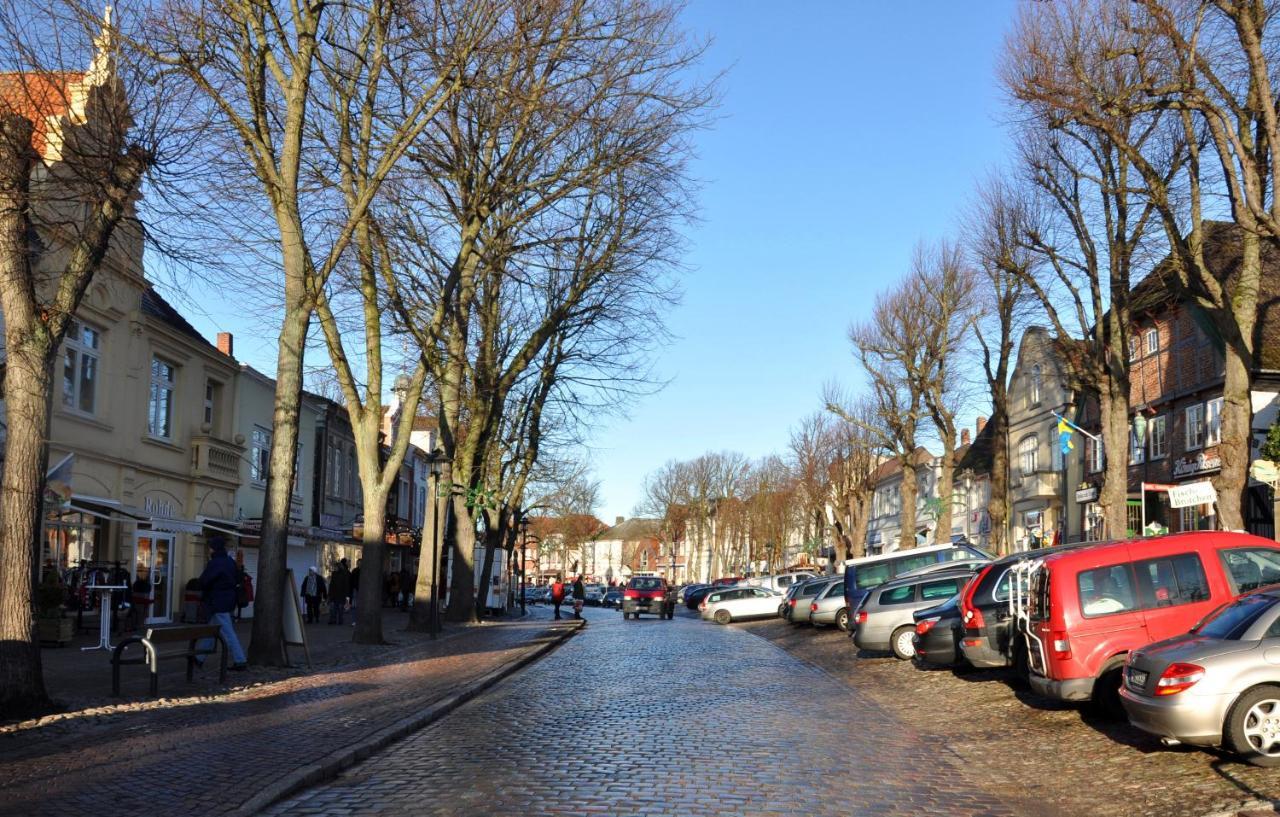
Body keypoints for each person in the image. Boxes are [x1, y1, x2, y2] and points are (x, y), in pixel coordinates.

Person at [197, 536, 248, 670]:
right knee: (213, 630)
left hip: (218, 601)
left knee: (227, 632)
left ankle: (240, 660)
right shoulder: (229, 561)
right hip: (227, 600)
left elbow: (204, 581)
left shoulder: (216, 563)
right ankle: (199, 657)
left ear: (214, 548)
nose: (209, 550)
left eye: (210, 547)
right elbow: (237, 577)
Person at [329, 560, 351, 624]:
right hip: (334, 593)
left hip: (341, 593)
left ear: (339, 567)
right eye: (334, 567)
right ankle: (333, 620)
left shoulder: (344, 574)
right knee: (333, 608)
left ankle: (340, 620)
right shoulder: (334, 574)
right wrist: (330, 593)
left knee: (340, 608)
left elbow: (346, 585)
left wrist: (346, 594)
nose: (334, 568)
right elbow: (331, 584)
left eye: (335, 567)